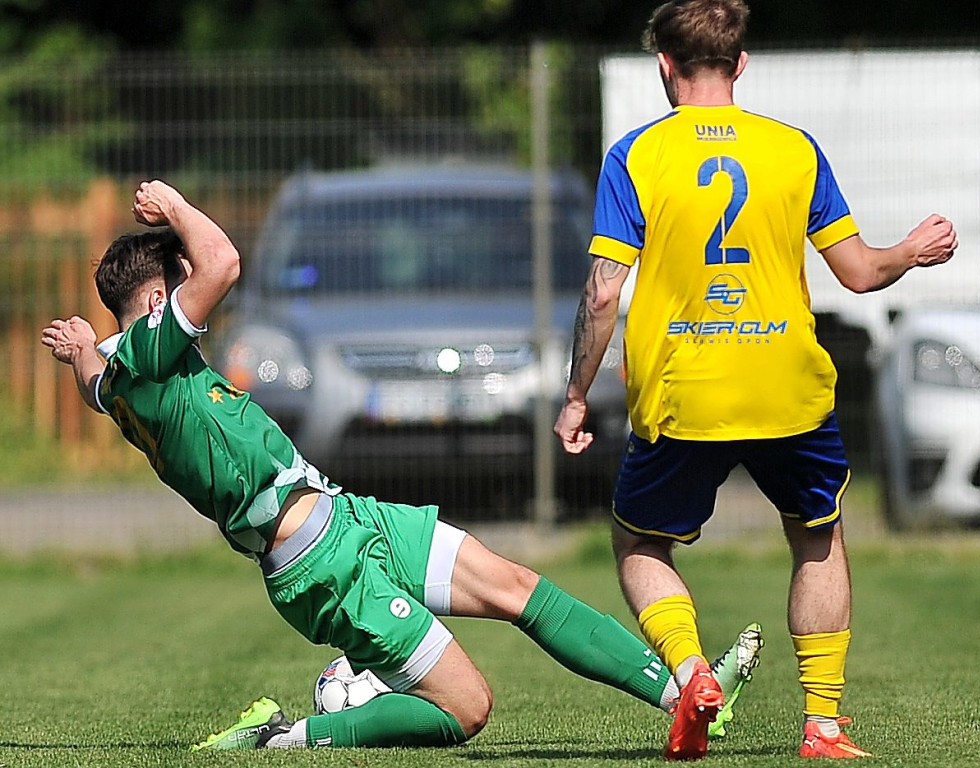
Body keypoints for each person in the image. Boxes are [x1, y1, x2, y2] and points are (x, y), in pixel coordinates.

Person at [41, 179, 762, 753]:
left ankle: (688, 702)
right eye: (182, 278)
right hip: (321, 568)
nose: (202, 284)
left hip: (350, 518)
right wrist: (174, 207)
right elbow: (223, 259)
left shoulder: (117, 374)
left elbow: (96, 386)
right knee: (467, 709)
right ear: (160, 300)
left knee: (518, 586)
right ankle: (284, 736)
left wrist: (80, 351)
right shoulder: (151, 352)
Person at [554, 0, 958, 761]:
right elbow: (860, 272)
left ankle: (692, 670)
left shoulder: (635, 155)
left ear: (664, 66)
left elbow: (604, 291)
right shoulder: (794, 150)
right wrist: (910, 250)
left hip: (685, 391)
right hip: (788, 387)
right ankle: (825, 727)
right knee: (816, 538)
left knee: (640, 542)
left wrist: (576, 396)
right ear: (741, 65)